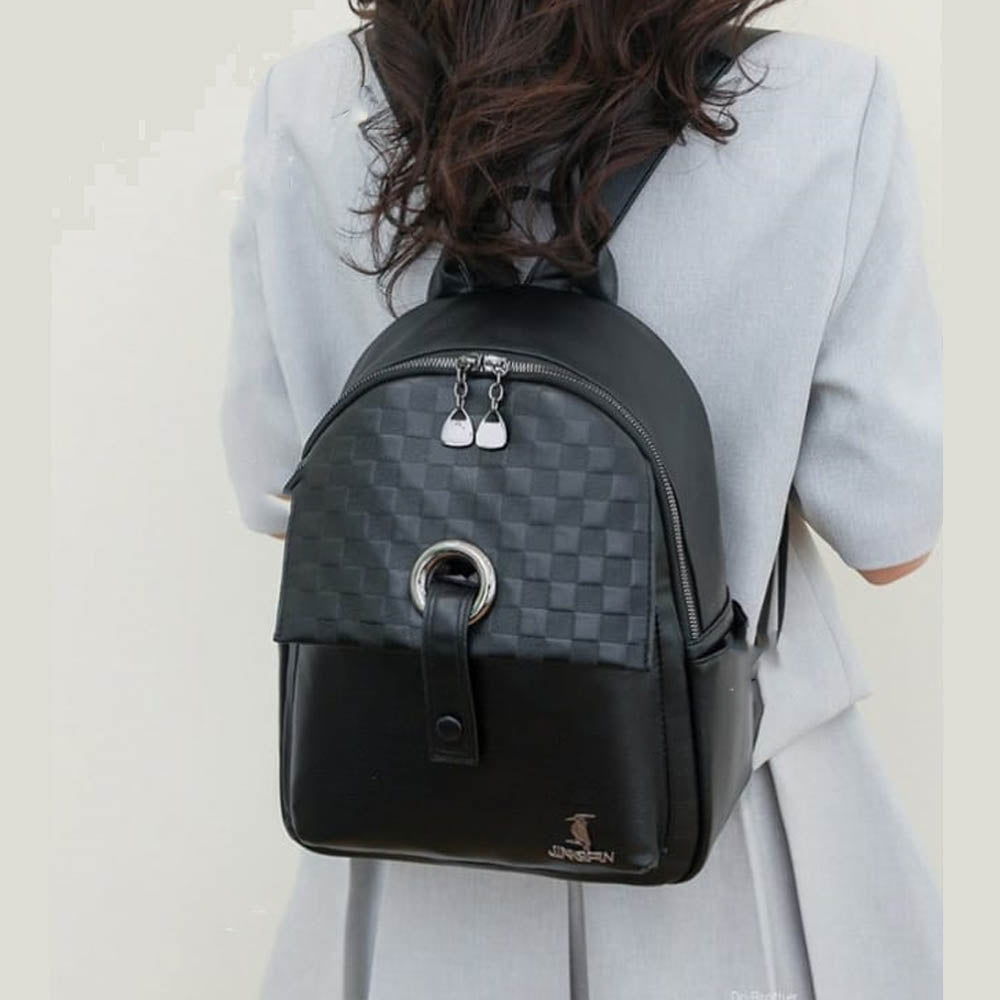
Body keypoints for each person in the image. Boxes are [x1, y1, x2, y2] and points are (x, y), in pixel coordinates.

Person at [220, 5, 942, 999]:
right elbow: (891, 533)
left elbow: (280, 494)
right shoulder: (823, 102)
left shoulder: (308, 101)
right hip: (722, 810)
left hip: (411, 819)